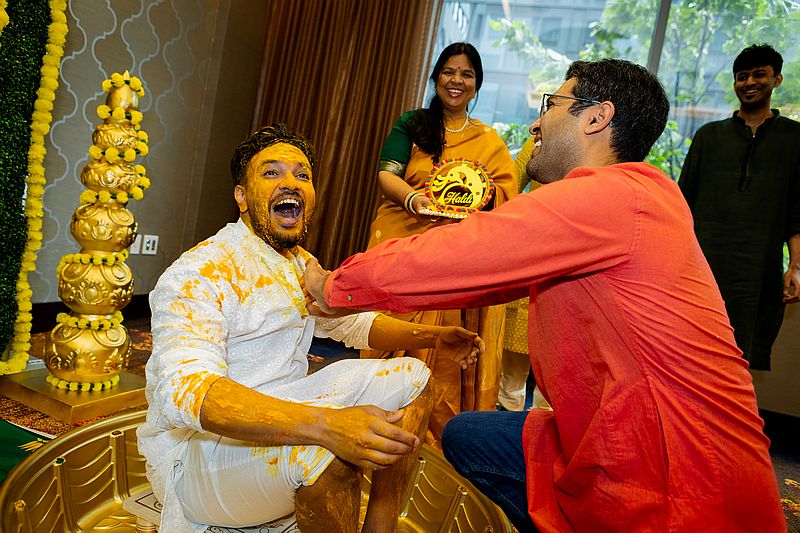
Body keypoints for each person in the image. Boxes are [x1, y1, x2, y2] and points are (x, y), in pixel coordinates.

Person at [303, 60, 785, 532]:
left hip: (674, 478)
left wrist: (335, 287)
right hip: (617, 435)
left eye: (553, 104)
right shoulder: (635, 199)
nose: (536, 122)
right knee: (468, 434)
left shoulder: (612, 198)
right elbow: (488, 276)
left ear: (597, 117)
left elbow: (467, 250)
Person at [136, 124, 485, 533]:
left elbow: (354, 325)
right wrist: (327, 425)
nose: (292, 183)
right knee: (330, 450)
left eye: (302, 175)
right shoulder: (199, 271)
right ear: (242, 197)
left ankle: (381, 522)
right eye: (272, 173)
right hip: (202, 457)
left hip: (286, 411)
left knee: (415, 378)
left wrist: (433, 337)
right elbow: (189, 394)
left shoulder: (299, 262)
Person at [365, 42, 517, 444]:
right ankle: (376, 416)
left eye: (466, 74)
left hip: (455, 253)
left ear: (476, 84)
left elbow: (504, 193)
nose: (457, 81)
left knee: (445, 349)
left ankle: (439, 437)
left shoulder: (488, 140)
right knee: (390, 333)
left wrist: (471, 199)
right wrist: (414, 199)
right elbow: (387, 176)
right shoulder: (413, 124)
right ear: (436, 78)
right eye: (450, 72)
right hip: (403, 236)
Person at [679, 43, 800, 371]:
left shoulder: (794, 139)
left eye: (759, 74)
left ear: (777, 80)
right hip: (701, 267)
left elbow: (797, 211)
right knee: (689, 354)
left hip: (758, 272)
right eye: (741, 76)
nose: (749, 82)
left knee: (738, 361)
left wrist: (796, 268)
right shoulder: (709, 136)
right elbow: (682, 205)